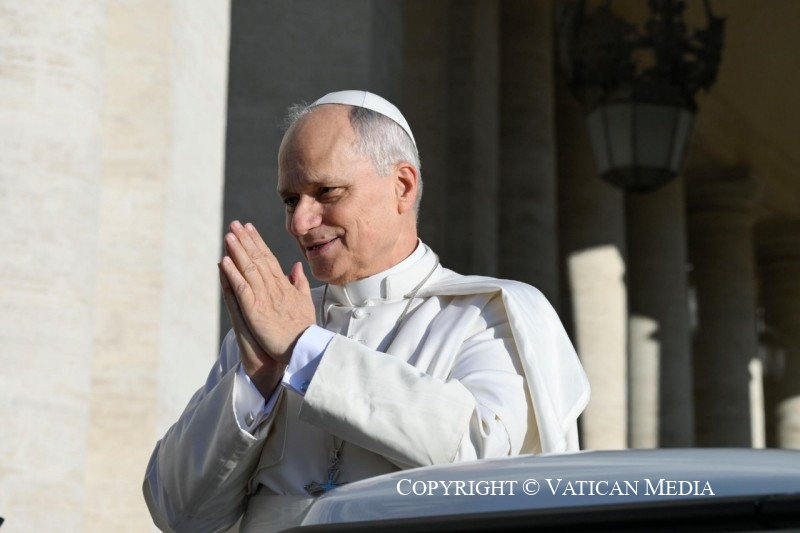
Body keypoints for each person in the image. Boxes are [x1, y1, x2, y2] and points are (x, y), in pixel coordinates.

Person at [143, 90, 590, 532]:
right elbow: (179, 515)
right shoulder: (272, 327)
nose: (300, 222)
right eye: (290, 200)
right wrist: (257, 383)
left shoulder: (488, 314)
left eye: (326, 191)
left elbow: (487, 464)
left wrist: (308, 350)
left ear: (402, 185)